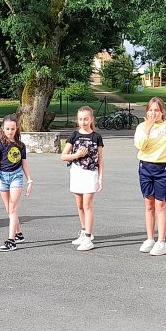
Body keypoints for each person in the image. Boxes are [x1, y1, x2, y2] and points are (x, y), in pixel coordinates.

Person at [133, 97, 166, 257]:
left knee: (160, 205)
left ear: (162, 112)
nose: (153, 113)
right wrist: (147, 129)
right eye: (150, 110)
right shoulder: (141, 127)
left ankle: (161, 242)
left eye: (156, 110)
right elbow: (139, 145)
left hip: (162, 168)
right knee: (149, 204)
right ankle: (150, 239)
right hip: (145, 167)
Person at [0, 114, 33, 252]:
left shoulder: (21, 145)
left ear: (16, 128)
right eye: (7, 129)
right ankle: (19, 234)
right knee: (9, 210)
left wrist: (30, 180)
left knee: (13, 208)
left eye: (12, 129)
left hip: (16, 176)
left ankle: (11, 241)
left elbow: (24, 164)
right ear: (3, 128)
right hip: (2, 177)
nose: (10, 131)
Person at [61, 106, 104, 251]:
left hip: (90, 173)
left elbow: (100, 159)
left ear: (91, 119)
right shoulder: (74, 135)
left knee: (87, 205)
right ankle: (84, 230)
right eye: (80, 119)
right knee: (80, 206)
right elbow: (63, 156)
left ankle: (88, 237)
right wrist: (77, 155)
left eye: (86, 119)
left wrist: (100, 178)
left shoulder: (96, 137)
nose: (83, 122)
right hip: (76, 172)